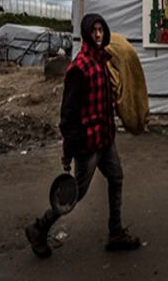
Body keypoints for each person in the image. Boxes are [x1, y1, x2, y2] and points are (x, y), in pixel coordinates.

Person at [25, 13, 141, 258]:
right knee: (76, 191)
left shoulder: (102, 61)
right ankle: (39, 228)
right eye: (94, 30)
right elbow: (68, 114)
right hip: (88, 142)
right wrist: (69, 150)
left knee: (116, 177)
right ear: (87, 34)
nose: (98, 34)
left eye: (101, 30)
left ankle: (116, 232)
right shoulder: (79, 67)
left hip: (106, 138)